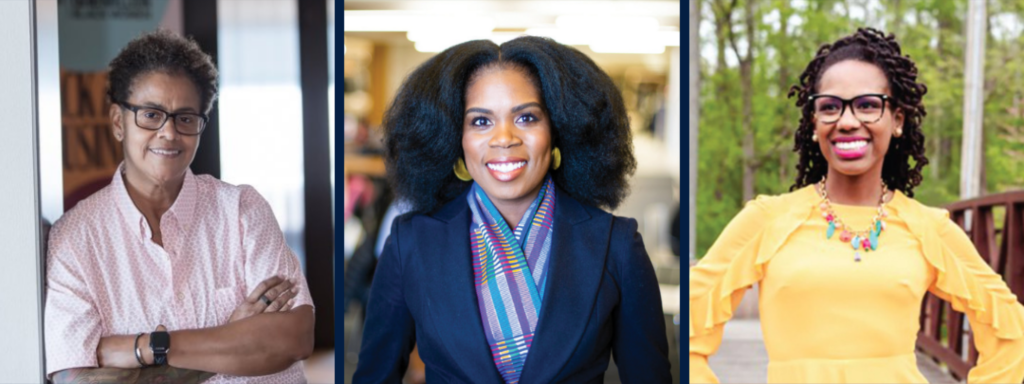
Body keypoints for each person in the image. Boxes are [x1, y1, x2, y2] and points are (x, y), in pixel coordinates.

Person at [689, 28, 1024, 383]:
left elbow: (1011, 331)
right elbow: (690, 323)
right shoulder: (767, 219)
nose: (847, 122)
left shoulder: (929, 227)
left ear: (896, 120)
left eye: (867, 105)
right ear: (814, 123)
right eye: (830, 107)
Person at [351, 36, 672, 383]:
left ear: (559, 129)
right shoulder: (411, 241)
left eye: (526, 118)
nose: (504, 138)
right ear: (452, 138)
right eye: (480, 122)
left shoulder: (616, 244)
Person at [44, 30, 315, 384]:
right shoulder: (75, 238)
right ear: (117, 122)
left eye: (185, 118)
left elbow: (293, 338)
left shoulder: (242, 210)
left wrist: (144, 348)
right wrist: (231, 336)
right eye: (151, 115)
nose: (169, 133)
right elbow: (76, 379)